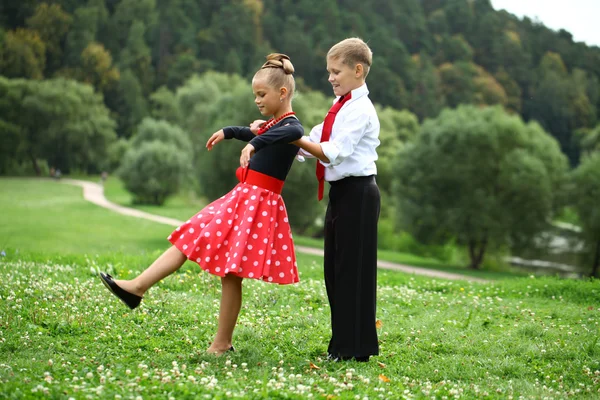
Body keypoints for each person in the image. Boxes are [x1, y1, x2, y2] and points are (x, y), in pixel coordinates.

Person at [99, 53, 304, 355]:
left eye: (262, 94)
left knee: (230, 273)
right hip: (243, 198)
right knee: (191, 234)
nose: (257, 100)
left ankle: (221, 343)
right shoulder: (272, 125)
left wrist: (253, 143)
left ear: (282, 93)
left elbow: (290, 134)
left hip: (257, 206)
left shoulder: (290, 126)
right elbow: (255, 132)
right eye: (255, 95)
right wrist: (230, 132)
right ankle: (138, 287)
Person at [293, 38, 381, 362]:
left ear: (357, 70)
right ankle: (343, 343)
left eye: (336, 71)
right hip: (341, 195)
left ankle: (352, 349)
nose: (330, 77)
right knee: (334, 270)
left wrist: (295, 138)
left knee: (352, 273)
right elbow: (313, 141)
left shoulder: (360, 110)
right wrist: (283, 134)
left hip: (359, 193)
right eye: (329, 71)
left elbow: (333, 152)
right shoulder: (340, 106)